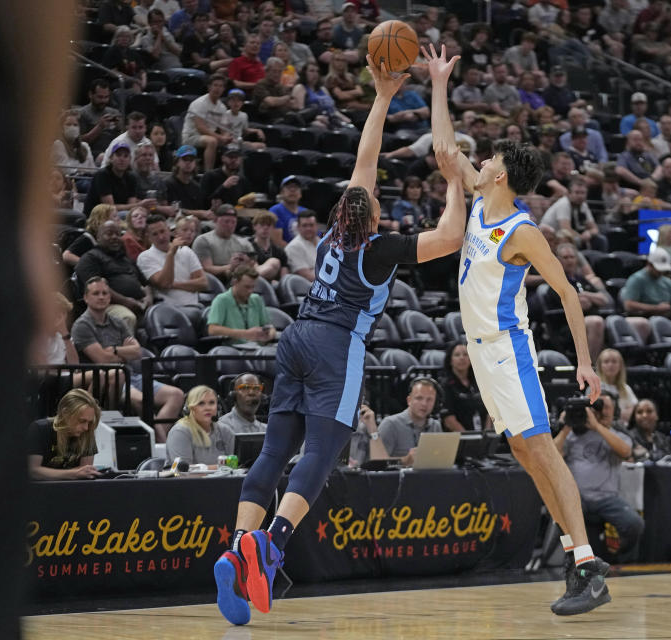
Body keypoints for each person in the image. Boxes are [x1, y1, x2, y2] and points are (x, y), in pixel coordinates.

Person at [213, 51, 471, 627]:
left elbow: (364, 160)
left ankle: (238, 547)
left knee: (275, 451)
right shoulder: (379, 247)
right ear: (372, 216)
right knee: (322, 453)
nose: (373, 193)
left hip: (296, 335)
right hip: (335, 346)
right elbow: (451, 237)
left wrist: (381, 98)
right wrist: (454, 181)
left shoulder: (334, 233)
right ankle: (272, 544)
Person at [423, 44, 611, 616]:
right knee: (527, 457)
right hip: (480, 354)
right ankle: (575, 557)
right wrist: (437, 84)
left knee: (543, 453)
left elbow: (568, 291)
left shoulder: (522, 231)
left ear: (501, 172)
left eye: (488, 161)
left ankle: (587, 566)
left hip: (509, 349)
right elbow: (443, 148)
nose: (477, 164)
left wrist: (584, 361)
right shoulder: (480, 197)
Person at [72, 277, 185, 440]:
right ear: (86, 298)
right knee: (140, 400)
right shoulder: (82, 325)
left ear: (110, 297)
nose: (102, 297)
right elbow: (101, 359)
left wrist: (115, 350)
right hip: (108, 380)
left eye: (105, 293)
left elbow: (137, 352)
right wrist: (125, 351)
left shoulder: (117, 322)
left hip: (130, 375)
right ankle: (161, 442)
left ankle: (156, 435)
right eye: (96, 293)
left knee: (176, 395)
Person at [554, 389, 643, 560]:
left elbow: (625, 451)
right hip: (578, 499)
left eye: (606, 407)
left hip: (607, 499)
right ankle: (574, 562)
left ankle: (621, 560)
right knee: (560, 517)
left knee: (634, 524)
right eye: (596, 406)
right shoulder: (572, 435)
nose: (601, 410)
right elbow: (551, 456)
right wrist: (566, 428)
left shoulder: (619, 435)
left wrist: (597, 427)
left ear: (615, 411)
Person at [75, 220, 153, 332]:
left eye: (118, 234)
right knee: (127, 317)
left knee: (163, 313)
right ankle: (128, 349)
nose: (115, 237)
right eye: (109, 233)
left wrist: (148, 297)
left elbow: (145, 283)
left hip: (139, 303)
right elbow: (97, 289)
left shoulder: (125, 258)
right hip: (107, 306)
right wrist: (126, 301)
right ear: (98, 238)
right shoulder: (90, 258)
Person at [28, 389, 102, 480]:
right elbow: (33, 471)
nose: (86, 427)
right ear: (65, 413)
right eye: (82, 421)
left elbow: (85, 472)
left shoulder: (87, 432)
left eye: (89, 422)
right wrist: (73, 473)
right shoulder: (39, 429)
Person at [137, 214, 206, 312]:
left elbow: (203, 283)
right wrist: (170, 254)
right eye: (155, 234)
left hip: (195, 306)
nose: (161, 237)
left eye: (162, 231)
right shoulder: (145, 257)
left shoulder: (186, 250)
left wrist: (174, 285)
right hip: (169, 309)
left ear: (169, 230)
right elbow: (165, 283)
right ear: (148, 237)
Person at [207, 264, 276, 345]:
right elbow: (212, 330)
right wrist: (245, 334)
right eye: (246, 287)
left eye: (253, 287)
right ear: (234, 282)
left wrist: (270, 335)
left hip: (258, 348)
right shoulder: (221, 300)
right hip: (233, 351)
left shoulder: (256, 299)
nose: (250, 291)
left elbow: (269, 327)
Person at [166, 385, 236, 464]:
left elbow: (234, 465)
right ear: (189, 409)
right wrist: (221, 468)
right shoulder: (180, 432)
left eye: (211, 403)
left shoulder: (225, 431)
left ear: (218, 407)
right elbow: (183, 471)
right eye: (201, 403)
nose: (208, 408)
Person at [378, 377, 443, 459]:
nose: (424, 404)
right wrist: (404, 461)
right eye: (419, 398)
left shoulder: (435, 426)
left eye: (429, 399)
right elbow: (378, 462)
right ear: (409, 400)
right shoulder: (390, 424)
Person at [621, 248, 671, 342]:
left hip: (667, 319)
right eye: (658, 269)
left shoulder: (667, 282)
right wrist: (656, 308)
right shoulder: (636, 279)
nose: (660, 272)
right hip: (645, 318)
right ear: (649, 264)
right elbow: (628, 305)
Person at [181, 74, 231, 170]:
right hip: (191, 136)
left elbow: (225, 128)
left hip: (210, 136)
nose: (218, 88)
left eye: (221, 86)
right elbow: (201, 128)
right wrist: (220, 137)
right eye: (215, 85)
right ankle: (208, 173)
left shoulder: (222, 107)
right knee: (212, 141)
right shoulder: (199, 103)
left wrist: (226, 137)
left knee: (234, 143)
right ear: (209, 87)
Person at [193, 204, 255, 281]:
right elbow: (206, 269)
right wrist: (230, 267)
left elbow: (253, 266)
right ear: (215, 220)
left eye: (233, 222)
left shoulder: (244, 243)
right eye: (226, 221)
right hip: (215, 282)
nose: (230, 225)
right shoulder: (203, 240)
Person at [82, 142, 147, 217]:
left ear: (130, 160)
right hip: (97, 216)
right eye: (118, 155)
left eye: (125, 156)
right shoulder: (102, 175)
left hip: (118, 215)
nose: (122, 159)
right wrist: (139, 205)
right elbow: (110, 207)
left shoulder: (131, 177)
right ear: (111, 158)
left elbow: (131, 206)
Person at [440, 339, 488, 432]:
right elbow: (449, 420)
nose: (462, 358)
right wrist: (471, 439)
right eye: (457, 355)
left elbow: (490, 412)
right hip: (460, 439)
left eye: (465, 355)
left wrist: (487, 434)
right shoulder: (446, 386)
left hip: (483, 436)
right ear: (450, 360)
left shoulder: (479, 381)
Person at [199, 142, 253, 210]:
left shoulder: (242, 180)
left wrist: (248, 204)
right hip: (214, 215)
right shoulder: (210, 176)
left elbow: (244, 204)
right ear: (223, 158)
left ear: (240, 159)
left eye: (236, 157)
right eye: (230, 157)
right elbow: (203, 203)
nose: (233, 160)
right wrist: (224, 187)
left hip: (236, 215)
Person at [269, 175, 313, 246]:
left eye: (296, 187)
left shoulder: (306, 212)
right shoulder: (275, 211)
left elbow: (315, 237)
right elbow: (277, 242)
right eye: (288, 187)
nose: (292, 190)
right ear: (281, 193)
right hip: (285, 254)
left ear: (300, 193)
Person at [249, 210, 288, 281]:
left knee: (275, 262)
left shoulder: (279, 251)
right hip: (250, 281)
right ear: (254, 226)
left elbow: (284, 277)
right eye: (262, 224)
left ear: (273, 228)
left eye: (269, 225)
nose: (265, 228)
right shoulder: (247, 245)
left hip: (272, 287)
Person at [284, 211, 320, 280]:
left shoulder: (324, 243)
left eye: (311, 225)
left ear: (317, 226)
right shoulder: (293, 247)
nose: (308, 228)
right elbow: (307, 275)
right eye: (304, 225)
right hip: (308, 287)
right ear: (298, 227)